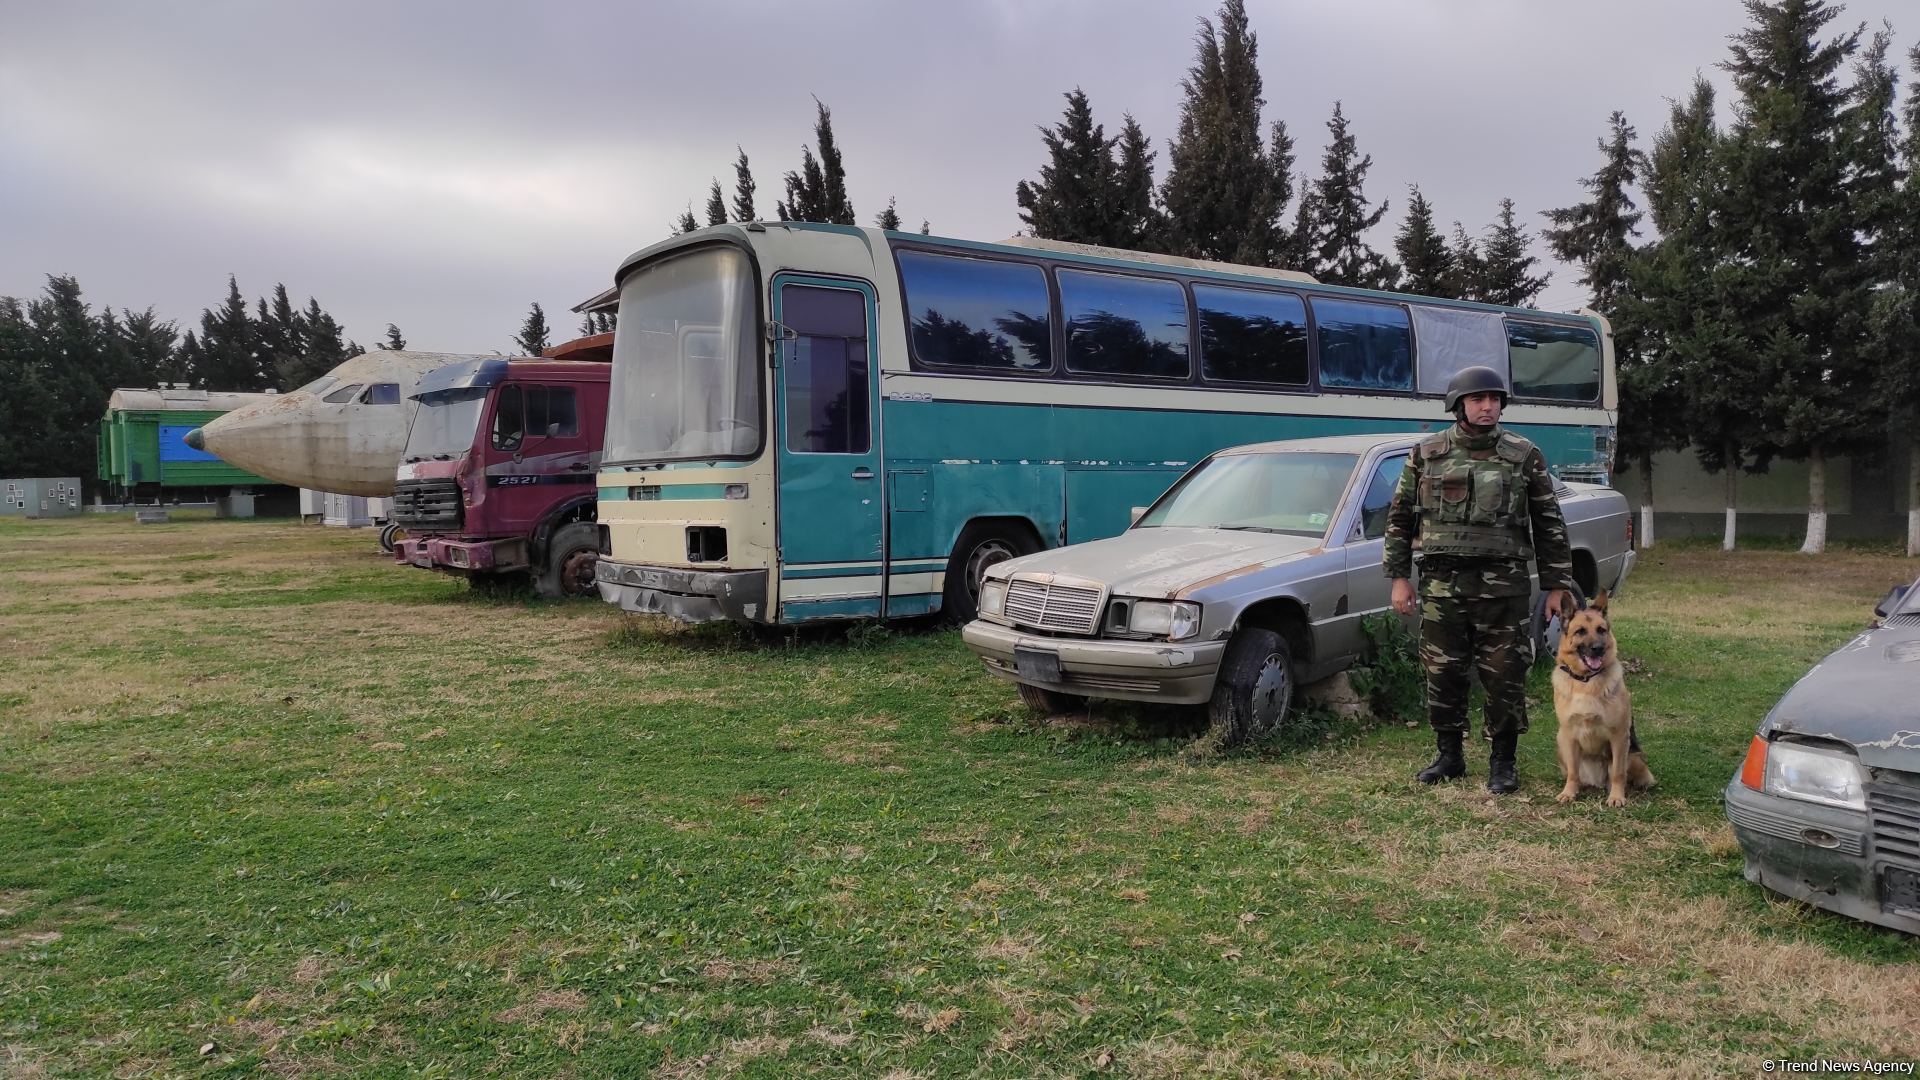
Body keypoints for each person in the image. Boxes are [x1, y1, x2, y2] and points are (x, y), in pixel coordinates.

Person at [1381, 365, 1576, 794]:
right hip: (1441, 587)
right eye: (1477, 399)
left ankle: (1503, 762)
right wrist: (1398, 577)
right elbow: (1399, 518)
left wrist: (1557, 584)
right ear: (1458, 405)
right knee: (1442, 671)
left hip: (1503, 589)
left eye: (1494, 399)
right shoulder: (1426, 453)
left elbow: (1549, 523)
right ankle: (1449, 755)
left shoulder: (1523, 455)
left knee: (1505, 673)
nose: (1487, 406)